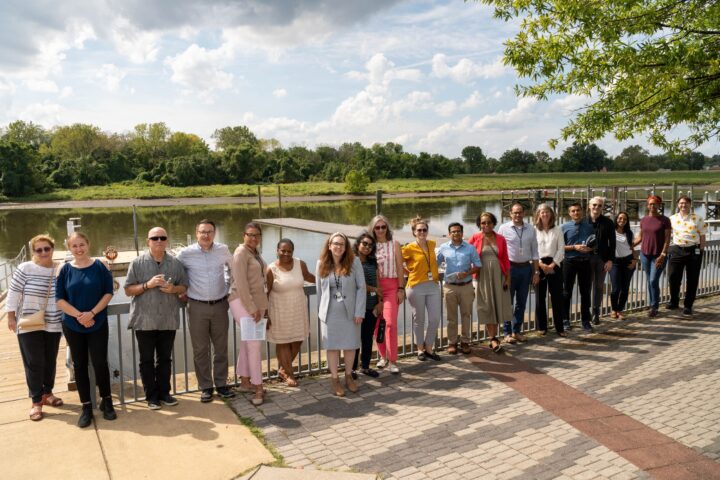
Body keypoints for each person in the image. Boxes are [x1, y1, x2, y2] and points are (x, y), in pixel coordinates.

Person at [56, 231, 116, 428]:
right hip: (73, 325)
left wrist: (91, 313)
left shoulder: (100, 266)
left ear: (88, 244)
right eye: (74, 246)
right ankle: (86, 407)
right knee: (79, 365)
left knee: (100, 363)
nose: (79, 249)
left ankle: (106, 401)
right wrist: (80, 316)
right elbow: (60, 300)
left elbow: (108, 292)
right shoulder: (64, 270)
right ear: (69, 248)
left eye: (81, 244)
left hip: (97, 322)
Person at [125, 227, 188, 410]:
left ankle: (164, 393)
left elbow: (184, 286)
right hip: (144, 320)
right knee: (146, 360)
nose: (159, 241)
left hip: (168, 319)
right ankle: (151, 396)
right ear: (148, 241)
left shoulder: (175, 264)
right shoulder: (137, 263)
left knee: (165, 359)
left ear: (167, 240)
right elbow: (128, 290)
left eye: (162, 238)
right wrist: (147, 285)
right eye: (155, 238)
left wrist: (173, 289)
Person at [5, 234, 63, 421]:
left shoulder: (60, 268)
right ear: (33, 252)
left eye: (47, 248)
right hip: (29, 322)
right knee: (34, 362)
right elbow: (13, 293)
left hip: (53, 322)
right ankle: (36, 401)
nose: (44, 252)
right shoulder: (25, 268)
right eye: (39, 250)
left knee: (50, 360)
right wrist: (11, 317)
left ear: (52, 249)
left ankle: (48, 393)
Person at [176, 219, 235, 403]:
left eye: (209, 231)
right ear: (196, 233)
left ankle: (221, 385)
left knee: (221, 348)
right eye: (202, 232)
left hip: (220, 305)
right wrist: (181, 290)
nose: (206, 235)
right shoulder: (185, 253)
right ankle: (206, 387)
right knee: (200, 349)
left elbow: (233, 270)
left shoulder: (223, 250)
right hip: (197, 306)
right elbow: (176, 272)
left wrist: (229, 287)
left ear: (214, 233)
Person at [316, 233, 365, 396]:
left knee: (350, 345)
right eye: (335, 243)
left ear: (346, 247)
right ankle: (335, 379)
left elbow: (361, 288)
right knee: (332, 347)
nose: (338, 247)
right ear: (329, 245)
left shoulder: (355, 262)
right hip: (329, 314)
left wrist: (359, 311)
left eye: (342, 244)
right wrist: (320, 314)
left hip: (350, 313)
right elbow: (319, 292)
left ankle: (349, 376)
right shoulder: (321, 264)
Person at [266, 238, 315, 387]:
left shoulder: (300, 264)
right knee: (283, 342)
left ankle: (282, 369)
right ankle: (289, 373)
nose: (286, 253)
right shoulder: (271, 269)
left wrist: (328, 282)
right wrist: (265, 314)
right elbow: (266, 293)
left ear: (293, 252)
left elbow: (309, 277)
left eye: (289, 251)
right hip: (279, 311)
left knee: (298, 339)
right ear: (277, 251)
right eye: (283, 250)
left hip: (298, 309)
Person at [229, 222, 268, 406]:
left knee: (247, 342)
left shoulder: (255, 253)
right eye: (250, 235)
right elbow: (241, 283)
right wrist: (252, 308)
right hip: (242, 302)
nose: (253, 238)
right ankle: (258, 387)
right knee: (254, 345)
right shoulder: (240, 253)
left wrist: (261, 306)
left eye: (257, 235)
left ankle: (245, 381)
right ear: (243, 235)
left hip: (255, 302)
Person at [469, 212, 511, 353]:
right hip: (482, 276)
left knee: (497, 305)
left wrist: (507, 277)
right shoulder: (475, 238)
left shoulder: (500, 238)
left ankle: (494, 338)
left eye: (488, 222)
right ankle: (493, 338)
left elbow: (505, 258)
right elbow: (466, 254)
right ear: (479, 224)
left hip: (498, 275)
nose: (486, 225)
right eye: (483, 223)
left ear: (494, 224)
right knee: (487, 306)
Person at [497, 203, 539, 343]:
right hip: (510, 269)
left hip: (526, 269)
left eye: (520, 212)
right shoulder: (503, 228)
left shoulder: (530, 229)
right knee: (508, 302)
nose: (517, 215)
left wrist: (536, 272)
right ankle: (507, 332)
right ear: (510, 214)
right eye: (515, 212)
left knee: (522, 302)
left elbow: (535, 252)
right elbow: (499, 251)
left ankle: (516, 331)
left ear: (524, 213)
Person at [436, 222, 481, 354]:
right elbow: (434, 264)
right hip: (449, 287)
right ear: (449, 234)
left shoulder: (470, 248)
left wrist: (467, 273)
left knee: (466, 315)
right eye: (453, 231)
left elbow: (478, 265)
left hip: (466, 286)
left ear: (462, 233)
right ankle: (452, 342)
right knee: (451, 317)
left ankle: (466, 342)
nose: (456, 233)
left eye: (458, 231)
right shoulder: (443, 248)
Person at [402, 217, 442, 360]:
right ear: (414, 232)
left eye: (424, 230)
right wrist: (409, 272)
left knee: (435, 318)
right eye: (419, 230)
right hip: (416, 286)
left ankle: (429, 347)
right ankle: (420, 349)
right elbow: (397, 262)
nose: (422, 232)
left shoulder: (432, 244)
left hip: (433, 286)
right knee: (419, 319)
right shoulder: (408, 248)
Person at [369, 215, 405, 374]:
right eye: (377, 227)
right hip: (376, 288)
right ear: (373, 229)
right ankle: (383, 356)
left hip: (391, 287)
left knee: (390, 324)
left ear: (387, 228)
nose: (381, 230)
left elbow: (400, 268)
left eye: (383, 227)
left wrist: (401, 289)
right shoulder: (369, 246)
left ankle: (393, 360)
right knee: (377, 325)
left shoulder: (394, 244)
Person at [667, 195, 706, 316]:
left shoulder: (698, 218)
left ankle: (688, 305)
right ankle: (674, 301)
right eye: (681, 203)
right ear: (678, 204)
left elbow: (703, 236)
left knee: (692, 279)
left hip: (693, 250)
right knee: (673, 277)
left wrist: (701, 251)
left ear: (690, 204)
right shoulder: (671, 219)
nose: (683, 205)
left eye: (686, 203)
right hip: (676, 249)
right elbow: (667, 235)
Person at [633, 195, 671, 317]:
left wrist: (663, 254)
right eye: (650, 204)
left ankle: (654, 306)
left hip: (658, 255)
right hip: (645, 255)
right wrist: (630, 245)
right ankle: (652, 305)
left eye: (655, 204)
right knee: (650, 281)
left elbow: (667, 239)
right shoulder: (643, 220)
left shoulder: (665, 220)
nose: (652, 206)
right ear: (647, 205)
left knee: (653, 280)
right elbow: (641, 237)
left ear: (659, 205)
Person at [351, 231, 382, 378]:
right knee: (354, 338)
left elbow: (377, 282)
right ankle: (351, 369)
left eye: (370, 245)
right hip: (356, 306)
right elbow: (357, 284)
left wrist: (379, 302)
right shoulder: (350, 261)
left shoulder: (372, 262)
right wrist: (374, 289)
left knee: (368, 337)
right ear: (358, 244)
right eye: (364, 243)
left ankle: (365, 366)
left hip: (371, 305)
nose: (367, 247)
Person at [561, 203, 595, 332]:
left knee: (585, 293)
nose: (576, 213)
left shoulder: (589, 227)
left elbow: (594, 244)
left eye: (578, 210)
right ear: (569, 213)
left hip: (585, 262)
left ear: (582, 212)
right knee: (566, 292)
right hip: (569, 262)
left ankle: (585, 320)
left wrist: (589, 249)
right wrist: (574, 247)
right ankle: (565, 320)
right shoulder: (563, 227)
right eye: (573, 211)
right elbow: (559, 247)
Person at [534, 204, 567, 337]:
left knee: (557, 297)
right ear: (538, 215)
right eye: (542, 212)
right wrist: (541, 265)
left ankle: (559, 327)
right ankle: (542, 327)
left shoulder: (557, 229)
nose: (545, 214)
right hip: (539, 264)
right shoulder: (533, 230)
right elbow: (532, 249)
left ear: (551, 214)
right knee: (540, 298)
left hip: (555, 265)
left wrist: (552, 264)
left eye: (547, 212)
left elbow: (561, 249)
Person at [587, 197, 616, 325]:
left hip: (601, 259)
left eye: (599, 206)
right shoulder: (583, 222)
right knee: (586, 286)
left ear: (602, 207)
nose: (596, 208)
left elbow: (613, 243)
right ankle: (585, 312)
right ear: (589, 206)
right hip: (586, 259)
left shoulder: (608, 223)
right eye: (594, 205)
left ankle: (596, 312)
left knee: (598, 286)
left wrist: (610, 260)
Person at [609, 212, 637, 320]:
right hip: (615, 262)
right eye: (620, 218)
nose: (622, 220)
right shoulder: (611, 231)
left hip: (628, 261)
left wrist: (635, 260)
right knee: (615, 288)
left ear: (627, 221)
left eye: (624, 219)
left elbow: (632, 248)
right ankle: (614, 309)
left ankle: (620, 310)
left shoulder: (629, 233)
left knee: (625, 289)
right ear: (616, 219)